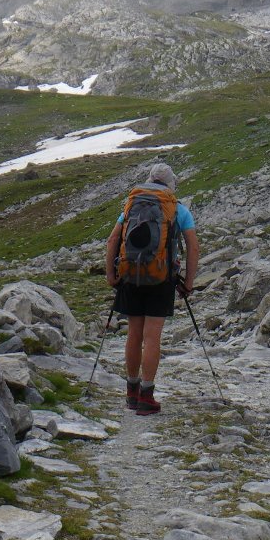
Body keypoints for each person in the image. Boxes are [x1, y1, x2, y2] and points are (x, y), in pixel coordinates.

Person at [104, 163, 198, 415]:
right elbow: (192, 245)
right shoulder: (177, 209)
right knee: (152, 336)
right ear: (170, 184)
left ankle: (131, 393)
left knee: (133, 333)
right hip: (161, 278)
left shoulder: (132, 205)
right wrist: (188, 282)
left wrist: (111, 274)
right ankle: (147, 396)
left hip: (130, 275)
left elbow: (114, 239)